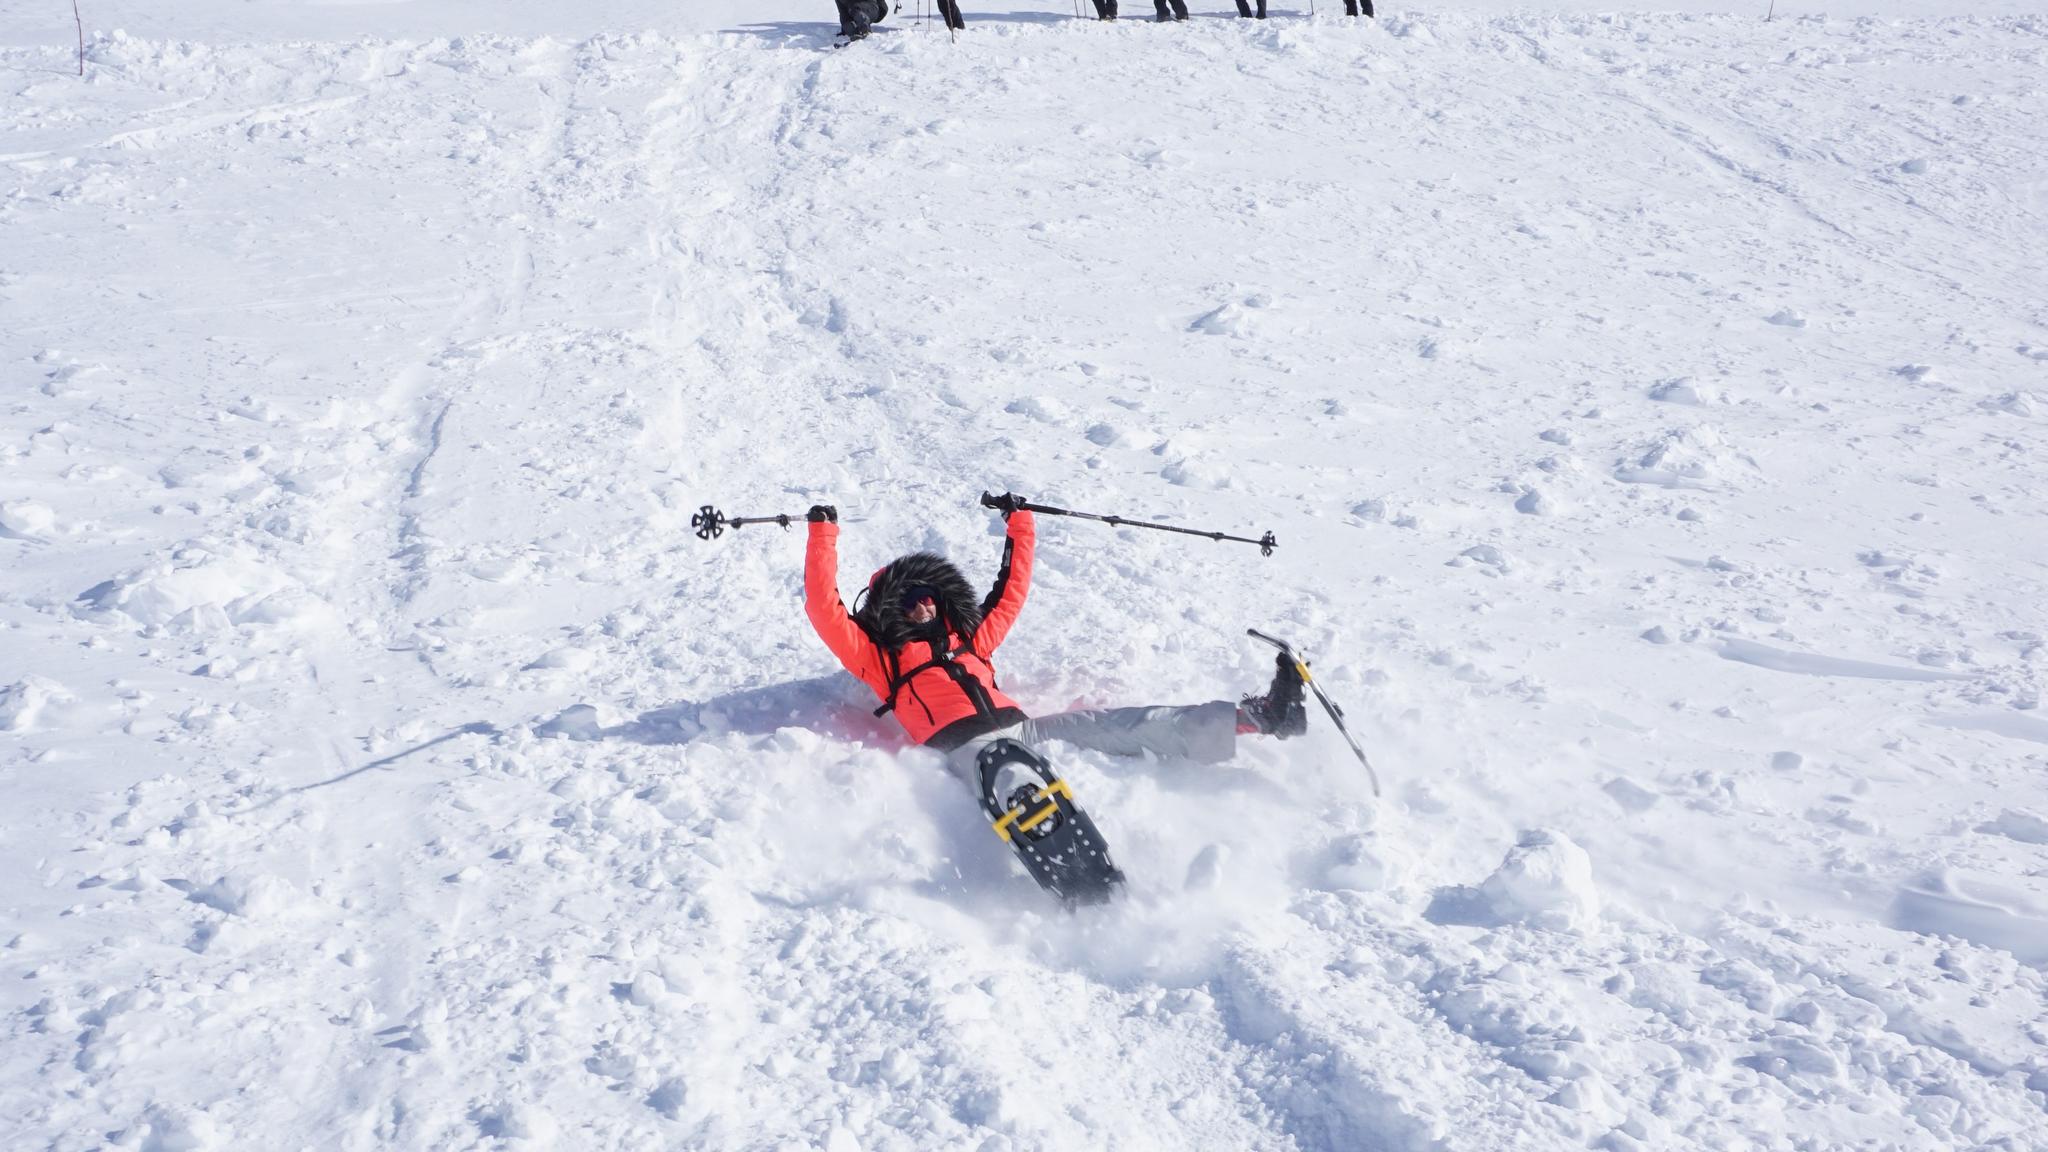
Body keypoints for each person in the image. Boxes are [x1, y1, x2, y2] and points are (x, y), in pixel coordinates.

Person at [800, 498, 1307, 799]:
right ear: (888, 607)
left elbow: (1010, 591)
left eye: (927, 595)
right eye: (907, 599)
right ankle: (1042, 830)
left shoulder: (971, 640)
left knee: (1131, 724)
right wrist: (824, 534)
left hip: (1023, 728)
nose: (922, 606)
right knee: (1004, 774)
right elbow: (825, 608)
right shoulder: (881, 660)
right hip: (961, 748)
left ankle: (1262, 718)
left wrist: (1019, 524)